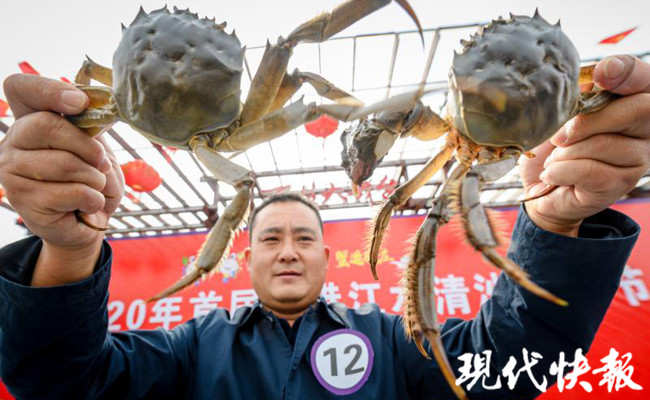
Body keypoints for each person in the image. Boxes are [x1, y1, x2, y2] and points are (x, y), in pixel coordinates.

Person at [0, 54, 648, 400]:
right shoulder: (189, 351)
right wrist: (67, 248)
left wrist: (555, 222)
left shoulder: (393, 343)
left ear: (326, 257)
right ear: (244, 258)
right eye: (270, 238)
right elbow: (61, 383)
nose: (288, 251)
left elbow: (516, 362)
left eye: (304, 237)